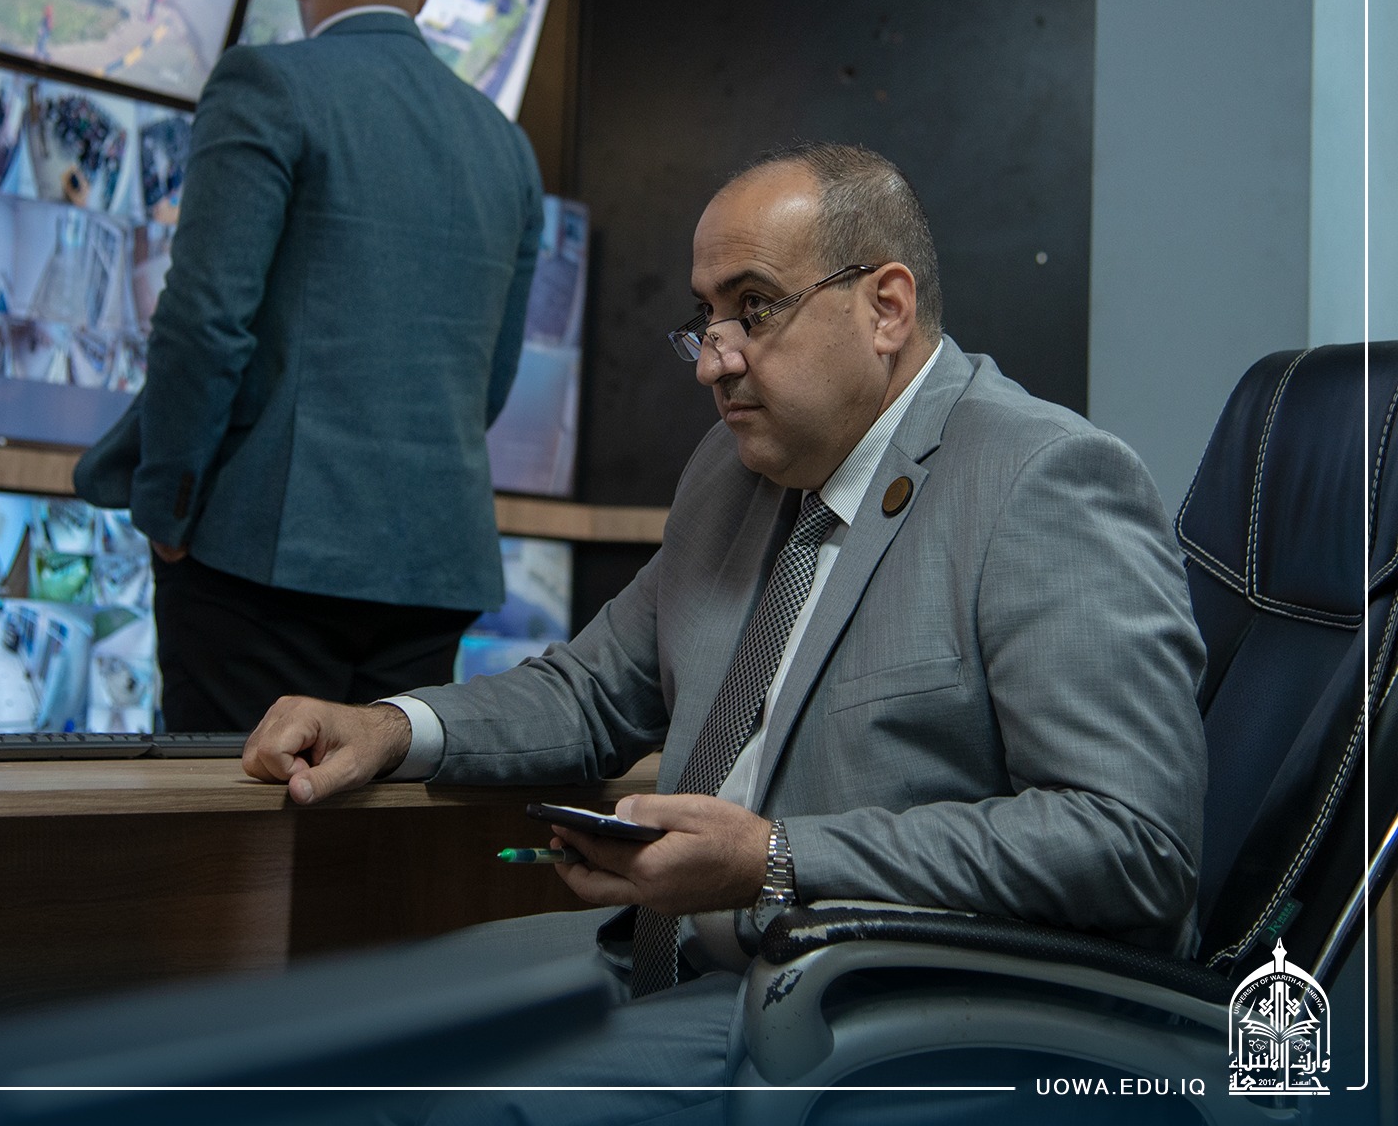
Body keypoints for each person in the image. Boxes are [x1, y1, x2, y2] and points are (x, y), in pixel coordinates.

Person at [241, 144, 1207, 1115]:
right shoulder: (732, 471)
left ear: (886, 307)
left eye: (755, 307)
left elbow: (1129, 843)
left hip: (868, 1008)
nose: (714, 359)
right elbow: (590, 690)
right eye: (705, 317)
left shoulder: (1043, 479)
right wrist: (391, 726)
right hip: (667, 955)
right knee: (329, 1041)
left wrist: (776, 858)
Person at [76, 0, 544, 733]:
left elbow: (204, 319)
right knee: (377, 818)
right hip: (432, 568)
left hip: (263, 558)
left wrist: (171, 504)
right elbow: (491, 380)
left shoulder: (266, 82)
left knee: (235, 812)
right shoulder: (507, 146)